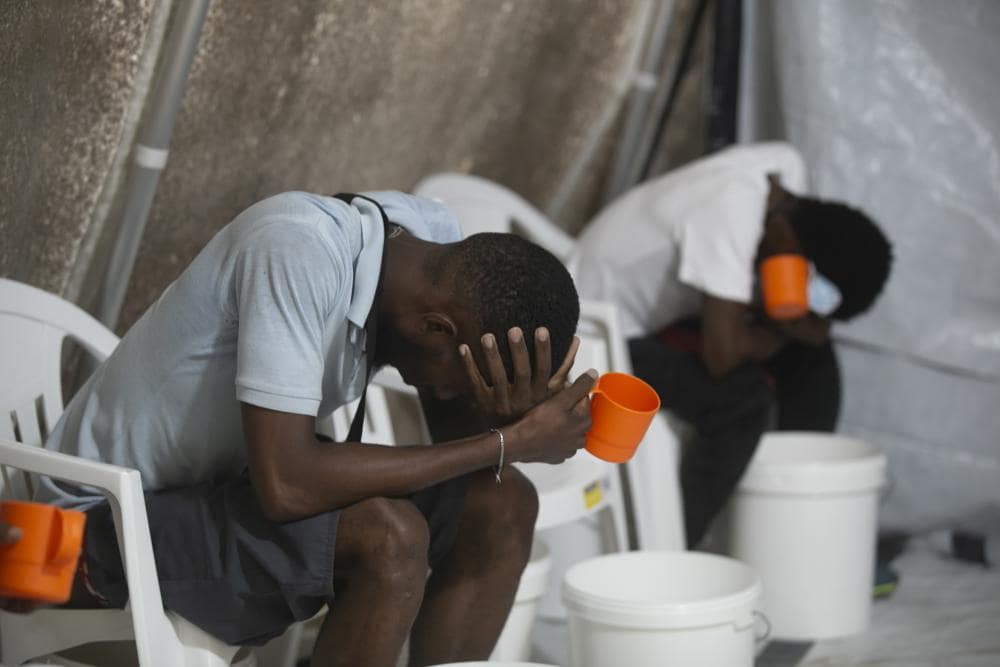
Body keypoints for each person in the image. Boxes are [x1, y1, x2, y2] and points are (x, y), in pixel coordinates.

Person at [17, 190, 595, 667]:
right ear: (437, 327)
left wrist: (497, 423)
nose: (447, 393)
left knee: (502, 501)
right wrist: (505, 442)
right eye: (460, 379)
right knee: (387, 538)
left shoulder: (428, 241)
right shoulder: (296, 249)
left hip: (222, 494)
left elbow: (454, 446)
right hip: (89, 530)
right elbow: (287, 485)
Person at [568, 142, 892, 548]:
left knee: (814, 360)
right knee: (740, 401)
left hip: (657, 315)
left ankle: (800, 520)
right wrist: (786, 327)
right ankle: (673, 550)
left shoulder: (784, 176)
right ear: (791, 243)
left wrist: (797, 325)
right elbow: (721, 359)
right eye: (810, 289)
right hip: (595, 331)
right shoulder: (729, 213)